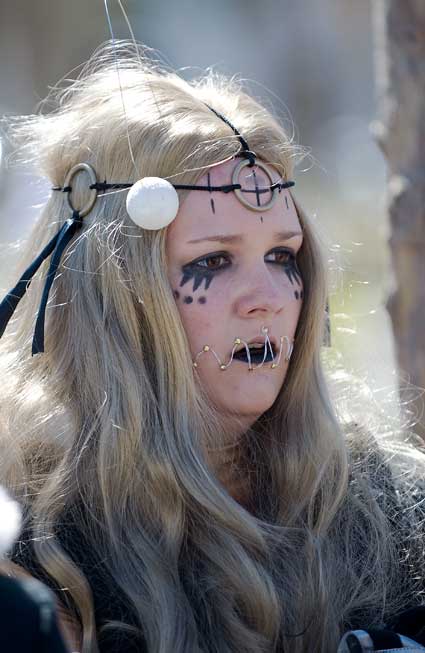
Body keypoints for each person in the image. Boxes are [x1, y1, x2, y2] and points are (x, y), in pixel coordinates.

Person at [0, 41, 425, 653]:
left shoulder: (388, 515)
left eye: (283, 256)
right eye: (215, 260)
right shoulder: (31, 542)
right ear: (113, 295)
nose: (269, 297)